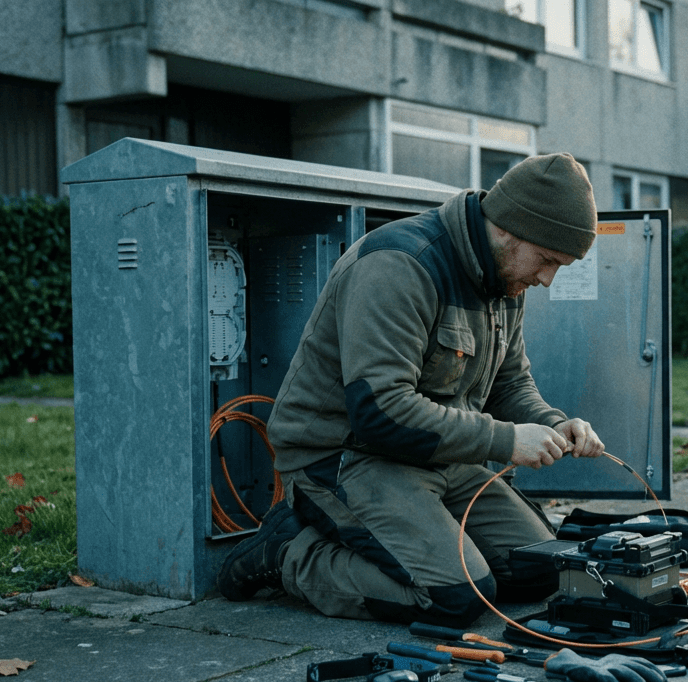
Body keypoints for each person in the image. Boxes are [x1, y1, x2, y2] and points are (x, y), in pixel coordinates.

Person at [216, 153, 605, 629]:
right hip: (344, 457)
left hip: (439, 459)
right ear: (508, 229)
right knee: (458, 597)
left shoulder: (504, 282)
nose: (547, 279)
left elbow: (511, 382)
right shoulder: (399, 266)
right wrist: (505, 442)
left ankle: (411, 540)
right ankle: (291, 553)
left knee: (544, 568)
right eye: (547, 261)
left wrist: (551, 422)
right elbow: (381, 413)